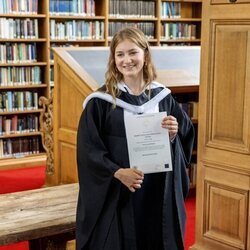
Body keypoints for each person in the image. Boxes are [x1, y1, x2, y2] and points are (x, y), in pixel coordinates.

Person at [76, 27, 195, 250]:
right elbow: (88, 150)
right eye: (120, 54)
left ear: (145, 54)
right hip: (119, 192)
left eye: (133, 52)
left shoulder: (162, 97)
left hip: (157, 189)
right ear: (113, 59)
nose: (127, 60)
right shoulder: (100, 102)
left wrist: (172, 135)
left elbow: (185, 136)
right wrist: (118, 173)